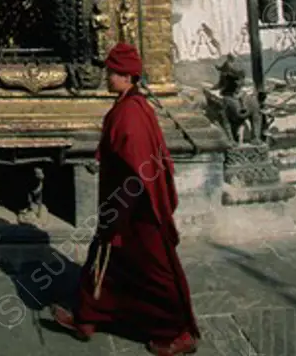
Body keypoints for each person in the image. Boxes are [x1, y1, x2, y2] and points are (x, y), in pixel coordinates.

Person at [51, 43, 199, 355]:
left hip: (138, 210)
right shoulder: (131, 104)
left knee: (155, 272)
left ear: (128, 76)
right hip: (123, 204)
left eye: (113, 72)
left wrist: (119, 212)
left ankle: (176, 333)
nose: (108, 77)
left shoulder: (131, 113)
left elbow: (137, 170)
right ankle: (87, 318)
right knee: (103, 260)